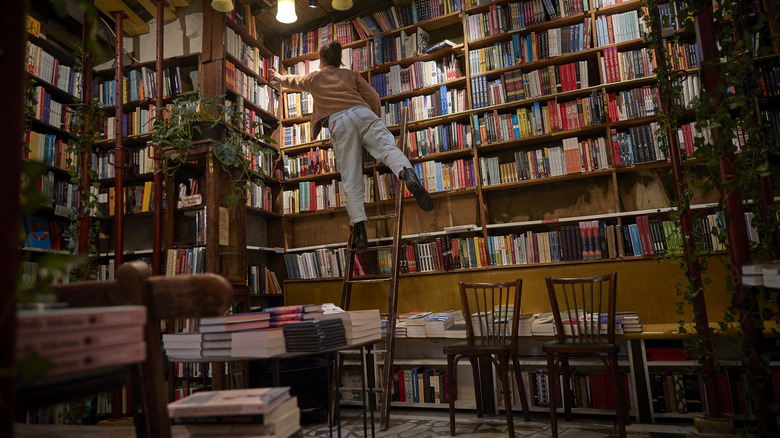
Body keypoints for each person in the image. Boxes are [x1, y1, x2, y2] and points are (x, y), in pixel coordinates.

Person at [270, 41, 433, 249]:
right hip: (363, 113)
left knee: (351, 178)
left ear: (322, 60)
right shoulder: (351, 75)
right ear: (339, 60)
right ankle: (407, 174)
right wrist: (374, 120)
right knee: (389, 150)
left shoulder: (314, 77)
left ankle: (361, 233)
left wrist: (279, 78)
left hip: (340, 122)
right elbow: (373, 96)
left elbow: (295, 81)